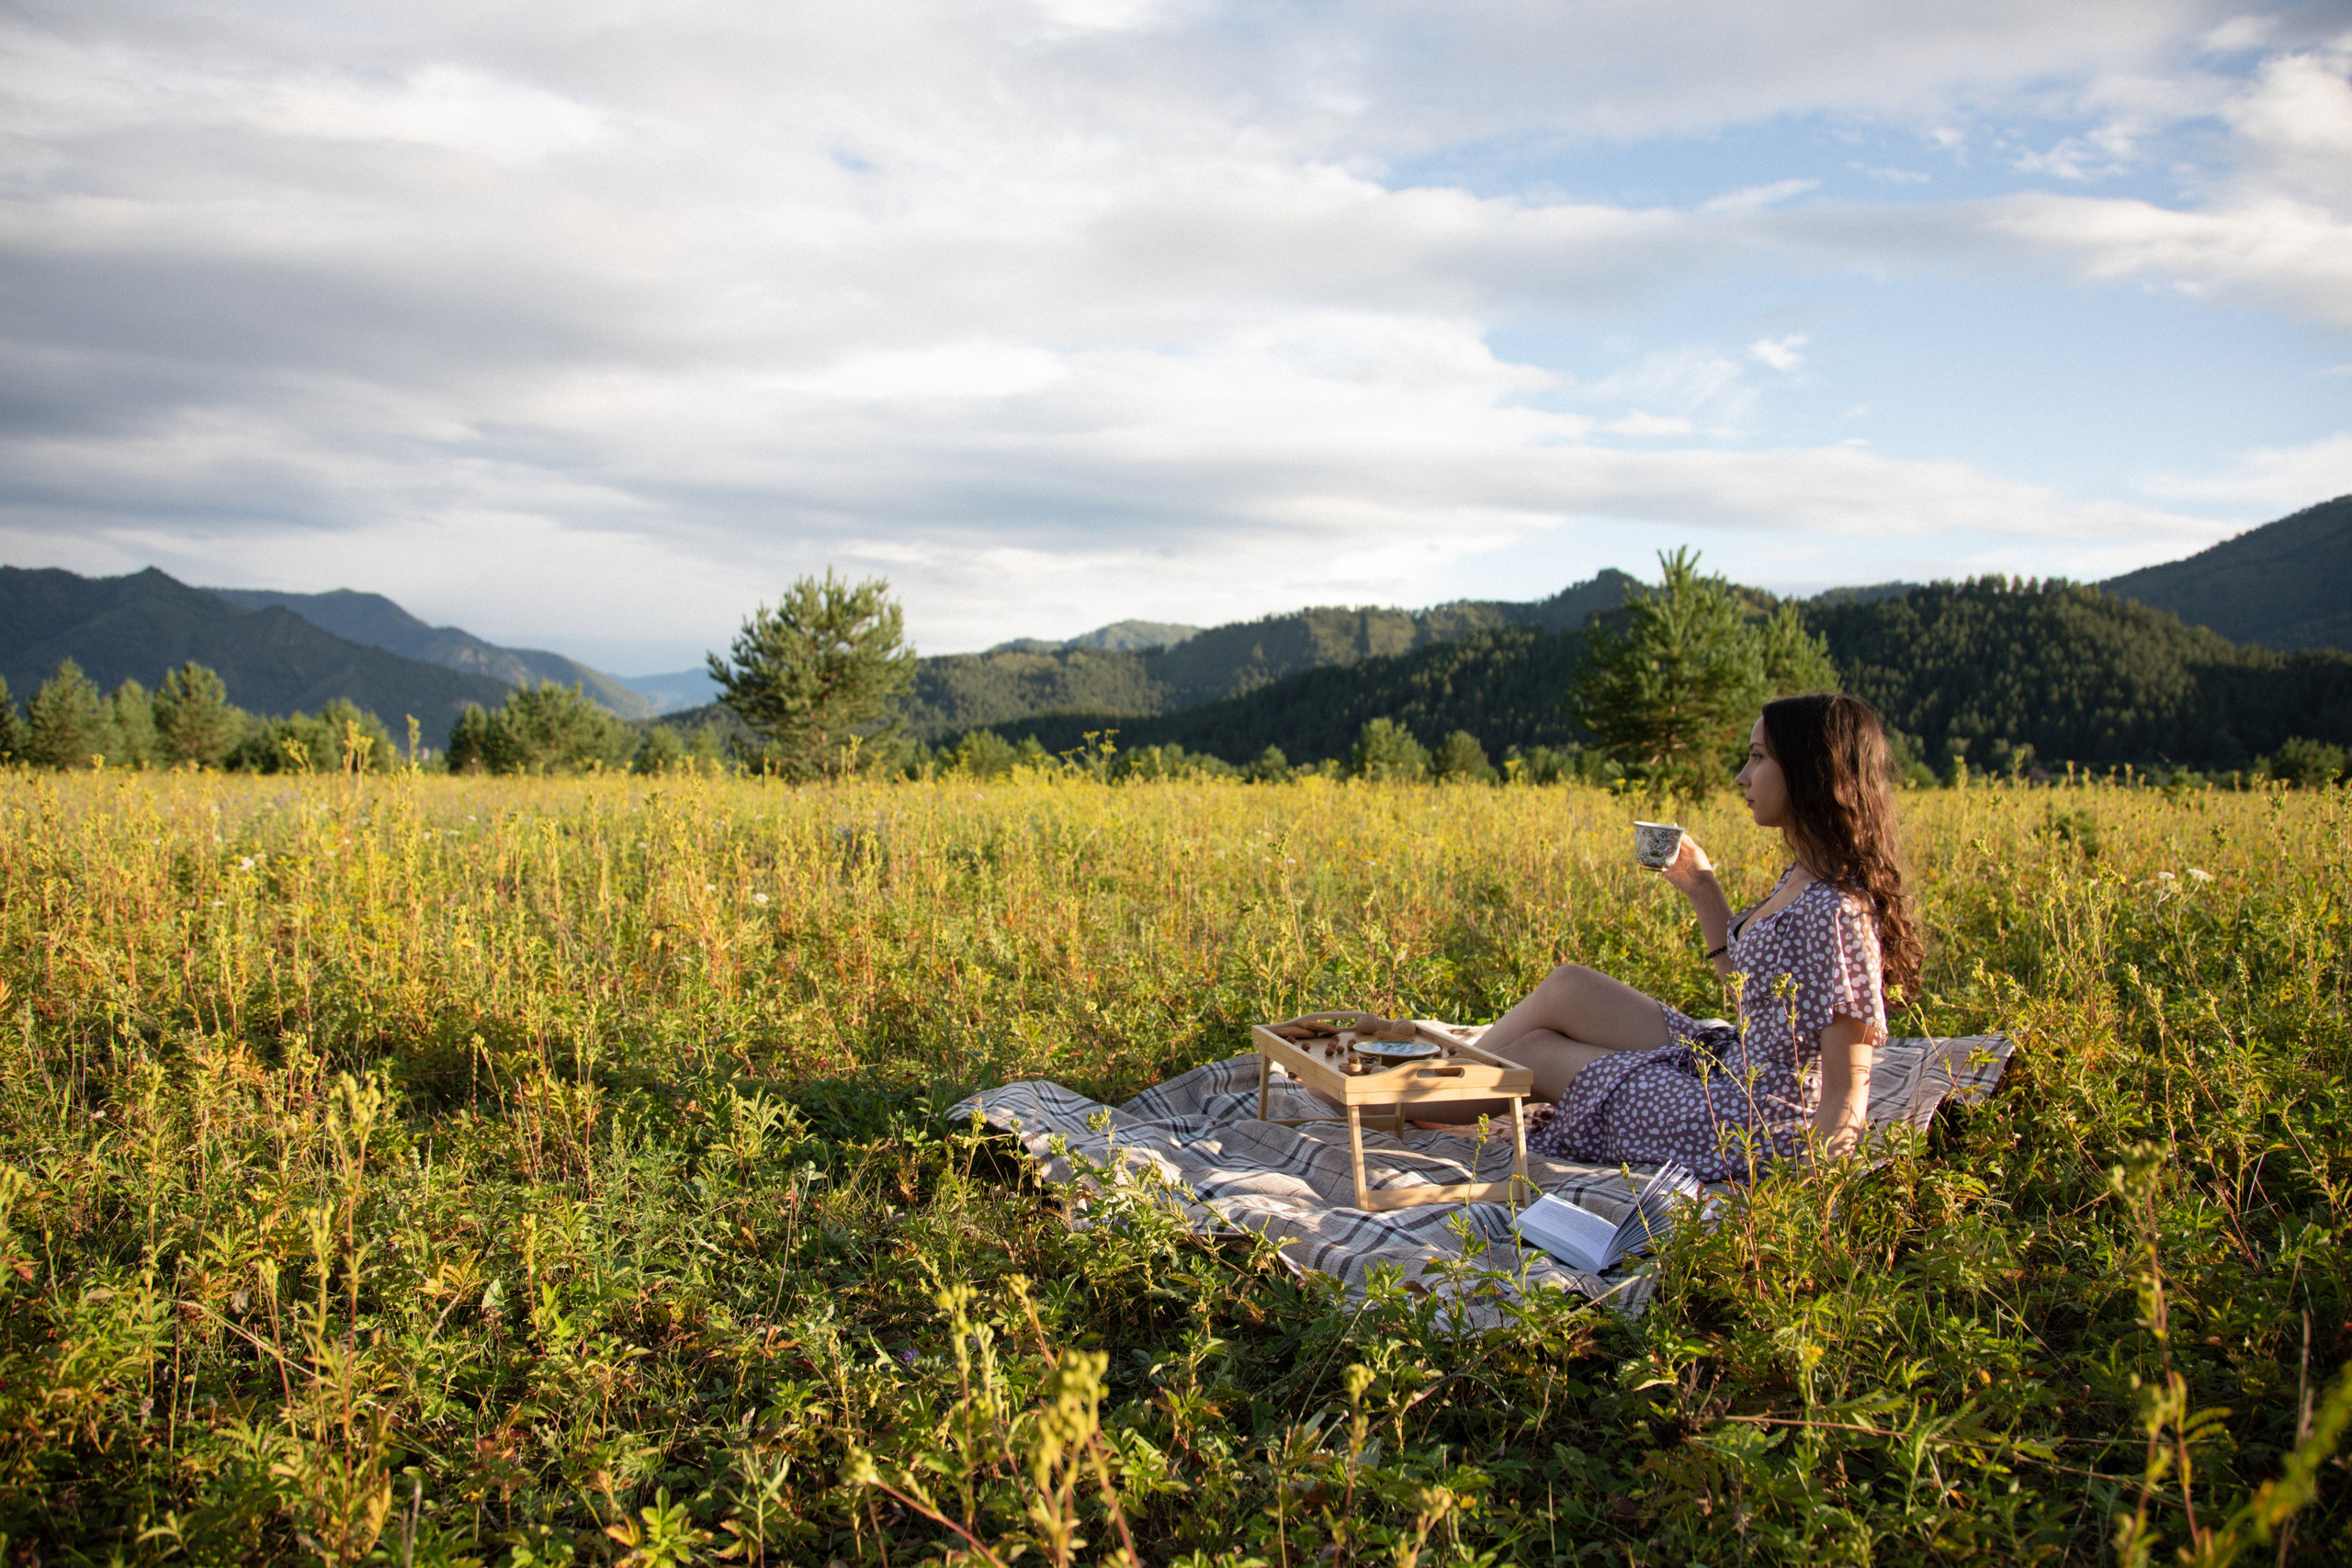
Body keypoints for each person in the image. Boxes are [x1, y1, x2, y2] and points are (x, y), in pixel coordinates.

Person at [1477, 693, 1924, 1181]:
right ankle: (1430, 1071)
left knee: (1533, 1054)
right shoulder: (1803, 876)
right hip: (1732, 1062)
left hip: (1740, 1123)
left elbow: (1845, 1092)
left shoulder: (1836, 911)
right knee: (1569, 986)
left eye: (1758, 757)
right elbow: (1746, 984)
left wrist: (1802, 1210)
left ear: (1809, 771)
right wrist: (1700, 885)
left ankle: (1398, 1099)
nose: (1742, 777)